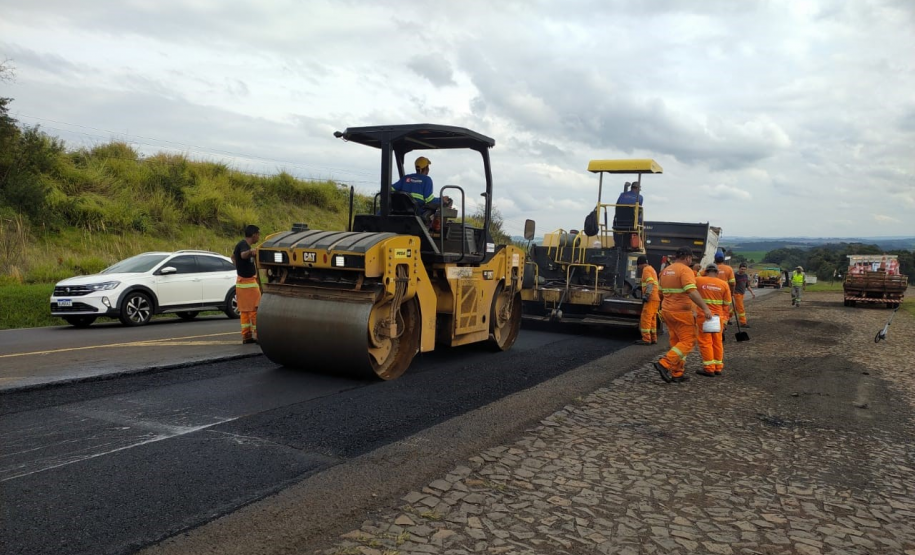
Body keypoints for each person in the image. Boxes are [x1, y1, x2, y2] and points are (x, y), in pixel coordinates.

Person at [653, 246, 713, 384]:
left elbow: (660, 293)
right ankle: (664, 364)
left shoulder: (665, 271)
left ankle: (677, 373)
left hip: (667, 311)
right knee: (688, 341)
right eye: (691, 259)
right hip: (681, 312)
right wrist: (705, 308)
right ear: (688, 258)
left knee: (677, 343)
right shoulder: (685, 270)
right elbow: (691, 291)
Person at [695, 264, 731, 377]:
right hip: (717, 317)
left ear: (706, 271)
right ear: (717, 272)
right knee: (717, 342)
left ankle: (709, 368)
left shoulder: (699, 280)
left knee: (705, 342)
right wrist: (725, 319)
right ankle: (718, 367)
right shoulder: (724, 284)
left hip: (704, 316)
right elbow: (727, 304)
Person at [232, 224, 261, 344]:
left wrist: (240, 267)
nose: (259, 237)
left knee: (244, 311)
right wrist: (251, 252)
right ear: (254, 235)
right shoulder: (244, 246)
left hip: (241, 282)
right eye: (258, 234)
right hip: (249, 283)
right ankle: (258, 335)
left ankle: (246, 336)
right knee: (255, 309)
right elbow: (243, 255)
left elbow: (233, 257)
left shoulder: (240, 245)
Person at [635, 255, 660, 345]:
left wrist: (647, 295)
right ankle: (653, 338)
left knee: (646, 318)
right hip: (655, 298)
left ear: (640, 264)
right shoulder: (652, 269)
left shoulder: (646, 270)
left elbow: (650, 283)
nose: (638, 268)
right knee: (652, 319)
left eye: (638, 265)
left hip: (651, 298)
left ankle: (646, 339)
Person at [733, 262, 756, 326]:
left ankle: (728, 317)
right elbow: (732, 285)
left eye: (744, 269)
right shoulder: (735, 275)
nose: (743, 270)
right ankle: (743, 322)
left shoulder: (745, 276)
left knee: (736, 307)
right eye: (742, 269)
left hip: (742, 294)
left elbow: (747, 286)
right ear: (739, 268)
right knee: (741, 308)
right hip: (737, 293)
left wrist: (752, 293)